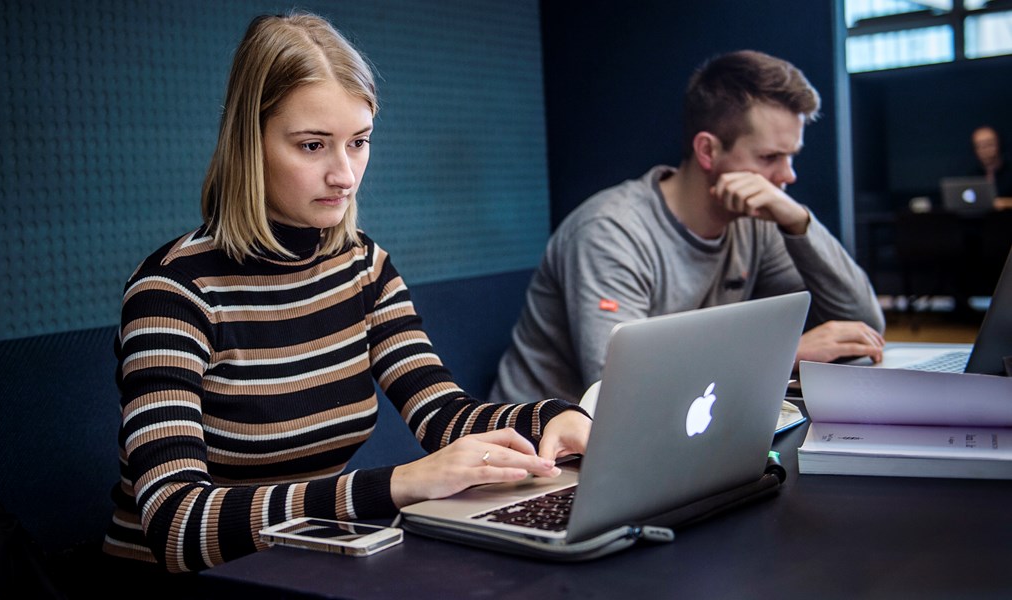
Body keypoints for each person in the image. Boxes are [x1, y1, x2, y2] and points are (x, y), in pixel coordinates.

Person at [99, 12, 591, 581]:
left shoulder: (363, 266)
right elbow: (178, 526)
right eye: (312, 145)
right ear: (248, 144)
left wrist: (553, 418)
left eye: (358, 143)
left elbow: (442, 412)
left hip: (303, 568)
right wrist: (399, 485)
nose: (345, 175)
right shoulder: (173, 291)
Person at [489, 50, 886, 406]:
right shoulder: (610, 231)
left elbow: (863, 325)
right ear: (708, 151)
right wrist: (785, 354)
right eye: (769, 157)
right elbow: (625, 389)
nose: (788, 176)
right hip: (540, 455)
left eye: (792, 157)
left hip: (675, 432)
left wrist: (797, 222)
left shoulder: (757, 222)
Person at [971, 125, 1012, 210]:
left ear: (999, 144)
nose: (985, 150)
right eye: (979, 146)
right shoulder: (972, 177)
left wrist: (1006, 202)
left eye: (989, 144)